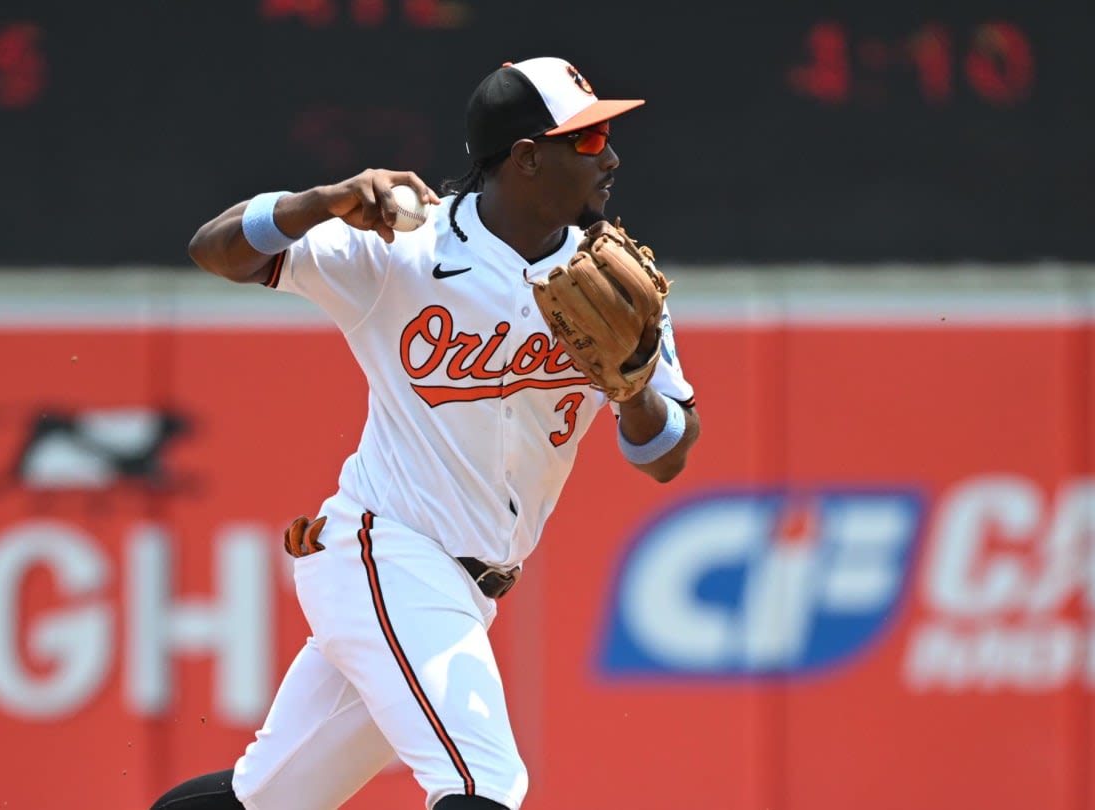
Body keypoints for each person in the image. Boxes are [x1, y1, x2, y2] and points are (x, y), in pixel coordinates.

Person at [155, 56, 701, 810]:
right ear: (527, 157)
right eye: (588, 136)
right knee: (484, 783)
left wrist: (634, 388)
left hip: (463, 590)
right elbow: (215, 249)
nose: (610, 154)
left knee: (266, 800)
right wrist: (323, 200)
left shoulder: (616, 281)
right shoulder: (401, 249)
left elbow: (667, 456)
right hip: (387, 550)